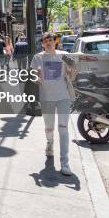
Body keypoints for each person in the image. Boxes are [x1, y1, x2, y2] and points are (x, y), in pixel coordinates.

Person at [30, 32, 76, 176]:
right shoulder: (38, 57)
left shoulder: (63, 55)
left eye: (51, 40)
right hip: (46, 98)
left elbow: (74, 72)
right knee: (49, 128)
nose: (49, 43)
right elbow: (32, 74)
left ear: (55, 42)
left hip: (63, 97)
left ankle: (65, 162)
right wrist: (36, 76)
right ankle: (49, 143)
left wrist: (71, 69)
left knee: (63, 128)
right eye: (46, 41)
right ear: (42, 43)